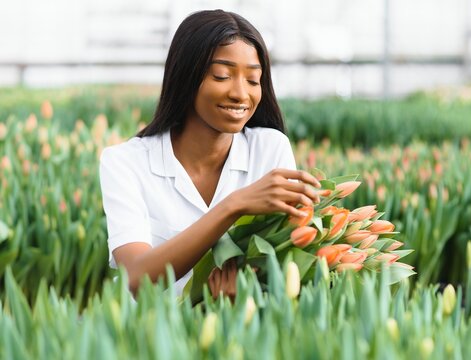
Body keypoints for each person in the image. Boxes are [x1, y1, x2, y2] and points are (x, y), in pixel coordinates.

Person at [99, 10, 321, 299]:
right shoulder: (125, 162)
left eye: (253, 80)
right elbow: (137, 277)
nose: (240, 93)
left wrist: (242, 294)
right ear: (186, 76)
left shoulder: (270, 149)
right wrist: (234, 206)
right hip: (146, 332)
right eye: (222, 75)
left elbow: (284, 260)